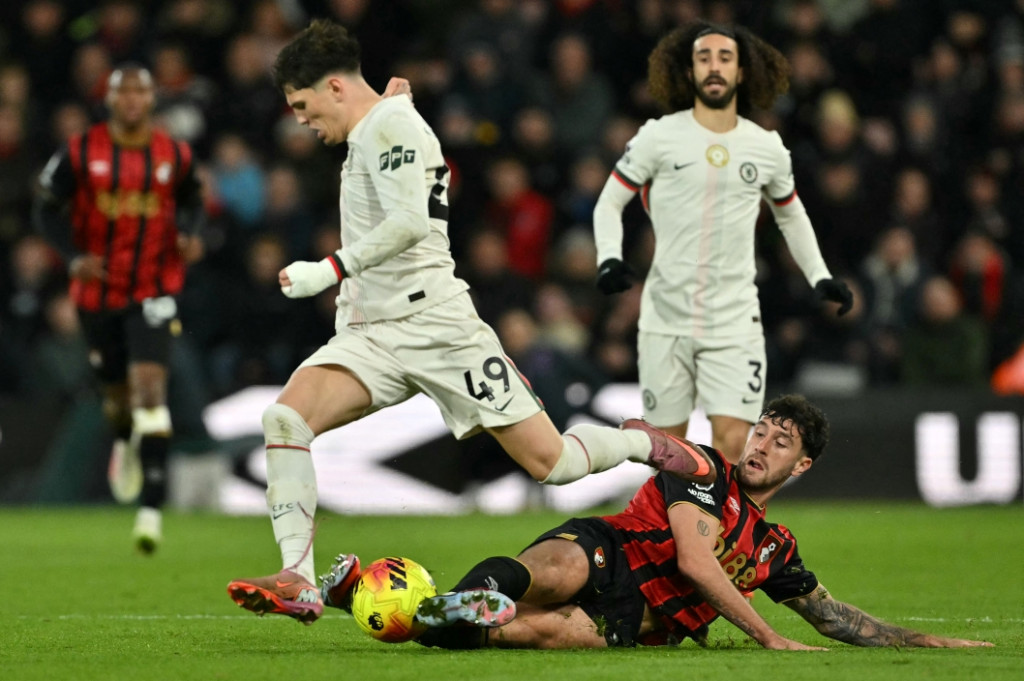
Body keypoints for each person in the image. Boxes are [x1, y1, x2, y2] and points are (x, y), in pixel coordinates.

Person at [225, 19, 717, 626]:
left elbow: (409, 222)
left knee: (554, 463)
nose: (298, 118)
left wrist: (328, 268)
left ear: (332, 86)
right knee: (286, 418)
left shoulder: (391, 125)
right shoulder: (381, 123)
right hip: (372, 333)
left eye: (302, 105)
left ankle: (649, 442)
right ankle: (298, 577)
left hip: (438, 327)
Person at [319, 394, 994, 651]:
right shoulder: (704, 470)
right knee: (552, 574)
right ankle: (448, 604)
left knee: (542, 628)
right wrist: (767, 636)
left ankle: (417, 611)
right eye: (761, 430)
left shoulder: (775, 548)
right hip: (610, 553)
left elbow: (832, 617)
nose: (760, 444)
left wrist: (926, 642)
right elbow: (698, 563)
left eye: (780, 442)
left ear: (803, 464)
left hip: (638, 619)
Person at [591, 22, 853, 464]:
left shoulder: (766, 147)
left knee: (733, 444)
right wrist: (609, 259)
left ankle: (722, 536)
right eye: (704, 58)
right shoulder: (658, 135)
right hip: (665, 318)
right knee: (666, 453)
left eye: (725, 58)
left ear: (742, 73)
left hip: (734, 321)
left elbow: (791, 214)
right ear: (689, 72)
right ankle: (675, 534)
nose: (714, 67)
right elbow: (609, 201)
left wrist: (819, 275)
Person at [33, 64, 205, 552]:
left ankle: (150, 512)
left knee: (151, 389)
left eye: (140, 92)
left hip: (152, 288)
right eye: (122, 92)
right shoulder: (81, 151)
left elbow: (193, 198)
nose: (132, 100)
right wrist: (72, 257)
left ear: (152, 100)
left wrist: (190, 235)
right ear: (109, 100)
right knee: (115, 398)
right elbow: (45, 207)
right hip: (98, 295)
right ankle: (126, 439)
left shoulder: (174, 152)